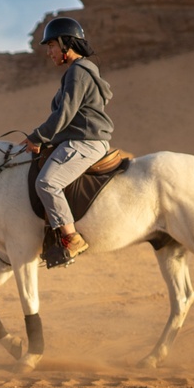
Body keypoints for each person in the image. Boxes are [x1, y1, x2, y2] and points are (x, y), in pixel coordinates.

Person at [22, 17, 113, 263]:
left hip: (86, 142)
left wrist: (38, 136)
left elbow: (64, 114)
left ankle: (72, 238)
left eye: (51, 45)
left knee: (46, 183)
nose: (49, 52)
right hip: (79, 138)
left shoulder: (78, 71)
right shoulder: (79, 71)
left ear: (65, 44)